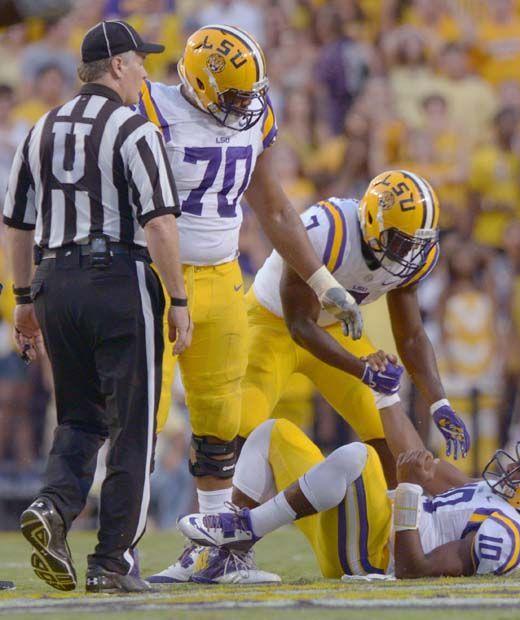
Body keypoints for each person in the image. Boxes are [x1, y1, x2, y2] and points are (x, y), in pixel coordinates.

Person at [161, 169, 471, 584]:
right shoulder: (327, 230)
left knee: (391, 430)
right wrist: (362, 369)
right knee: (239, 429)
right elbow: (299, 326)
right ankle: (214, 551)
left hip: (336, 329)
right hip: (273, 323)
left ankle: (399, 539)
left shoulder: (411, 254)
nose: (411, 254)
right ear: (375, 225)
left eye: (418, 244)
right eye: (401, 242)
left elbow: (411, 335)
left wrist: (439, 401)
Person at [138, 25, 362, 584]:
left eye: (249, 93)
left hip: (221, 275)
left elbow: (276, 209)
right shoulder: (148, 108)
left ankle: (215, 552)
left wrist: (321, 280)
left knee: (222, 417)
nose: (245, 104)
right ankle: (120, 550)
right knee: (143, 418)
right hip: (152, 274)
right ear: (197, 81)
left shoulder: (254, 117)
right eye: (234, 93)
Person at [4, 20, 192, 594]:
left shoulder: (41, 128)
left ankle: (55, 508)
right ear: (116, 66)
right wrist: (179, 297)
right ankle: (112, 560)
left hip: (54, 278)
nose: (144, 74)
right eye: (140, 63)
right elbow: (159, 224)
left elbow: (15, 224)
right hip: (119, 276)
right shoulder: (134, 130)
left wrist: (22, 298)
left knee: (80, 418)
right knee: (132, 426)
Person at [176, 376, 520, 581]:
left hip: (372, 554)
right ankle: (226, 560)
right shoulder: (492, 497)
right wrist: (387, 395)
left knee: (360, 456)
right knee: (273, 433)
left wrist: (407, 489)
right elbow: (416, 458)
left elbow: (415, 571)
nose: (510, 468)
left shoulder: (507, 537)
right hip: (358, 523)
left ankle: (242, 529)